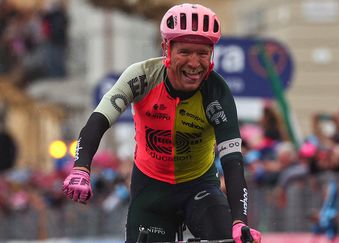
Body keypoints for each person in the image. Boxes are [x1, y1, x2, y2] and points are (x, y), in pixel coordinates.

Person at [62, 3, 261, 243]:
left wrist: (240, 221)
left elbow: (232, 159)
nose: (194, 63)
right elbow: (99, 119)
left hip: (199, 186)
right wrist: (81, 167)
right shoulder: (142, 77)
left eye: (203, 53)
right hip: (150, 188)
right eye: (185, 51)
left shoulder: (216, 92)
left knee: (228, 238)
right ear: (167, 49)